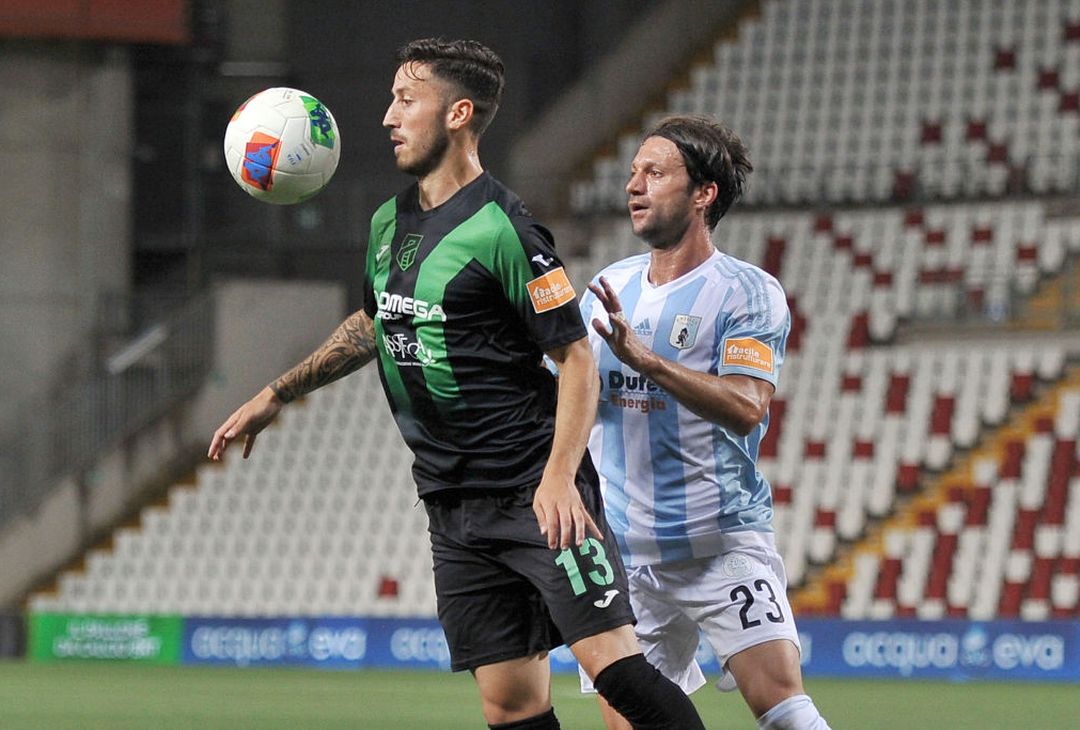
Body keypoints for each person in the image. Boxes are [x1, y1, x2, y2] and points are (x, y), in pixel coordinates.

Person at [208, 39, 705, 730]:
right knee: (510, 705)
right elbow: (377, 321)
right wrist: (278, 393)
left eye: (406, 99)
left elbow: (578, 358)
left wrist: (560, 476)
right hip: (453, 505)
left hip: (535, 493)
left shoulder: (506, 228)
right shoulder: (388, 223)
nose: (387, 116)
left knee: (618, 673)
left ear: (457, 113)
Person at [578, 114, 831, 729]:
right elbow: (574, 397)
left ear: (703, 193)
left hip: (719, 543)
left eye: (655, 172)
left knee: (783, 709)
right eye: (633, 172)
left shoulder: (746, 291)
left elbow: (747, 406)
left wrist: (648, 361)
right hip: (627, 557)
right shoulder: (607, 288)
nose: (634, 185)